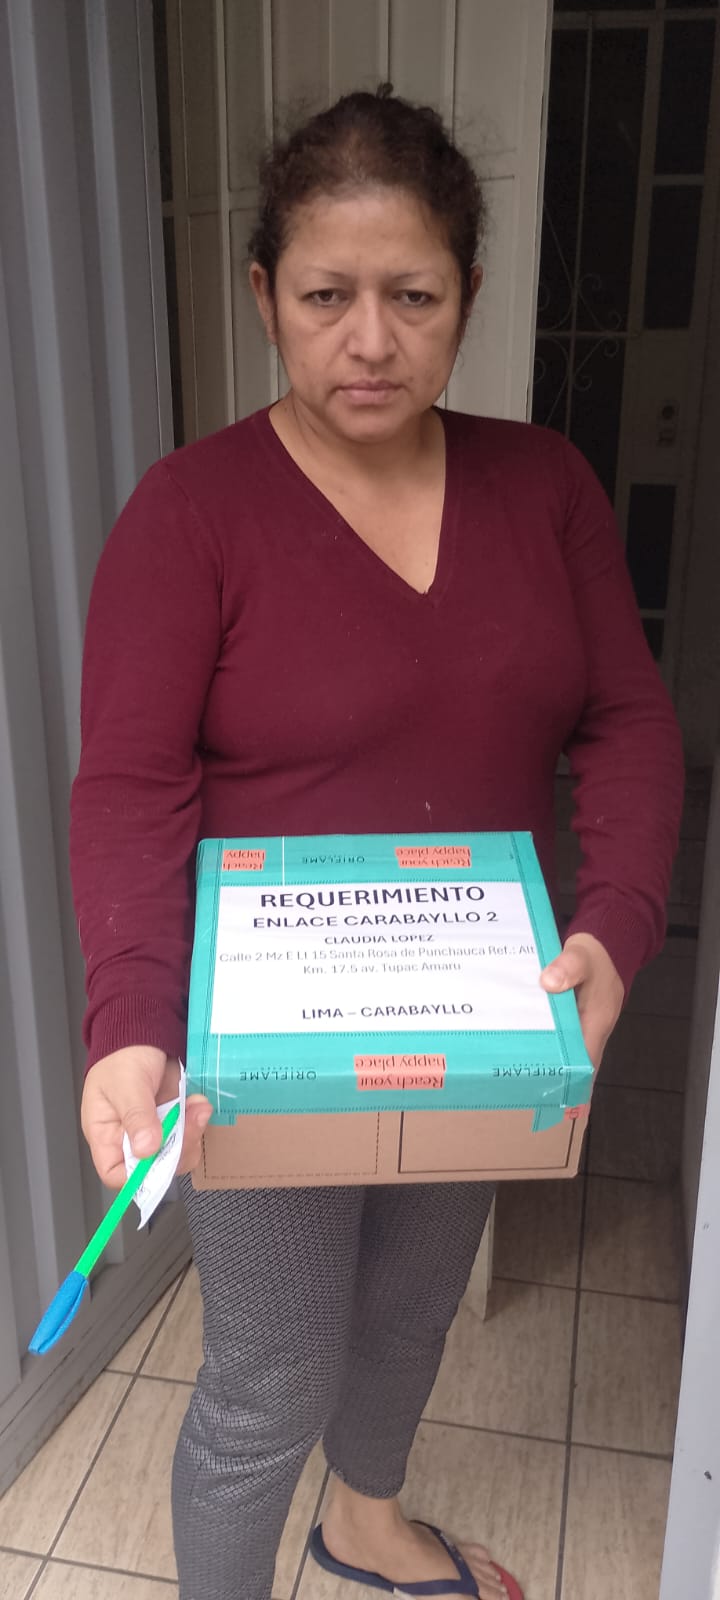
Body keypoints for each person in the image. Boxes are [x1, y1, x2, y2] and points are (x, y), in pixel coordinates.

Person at [72, 87, 684, 1600]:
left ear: (467, 293)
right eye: (326, 296)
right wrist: (132, 1020)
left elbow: (627, 721)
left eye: (412, 297)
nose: (370, 341)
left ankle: (362, 1522)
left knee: (414, 1309)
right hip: (268, 1037)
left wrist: (613, 925)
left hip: (475, 1004)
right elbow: (132, 785)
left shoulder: (544, 488)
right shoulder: (191, 514)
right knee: (265, 1382)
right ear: (263, 293)